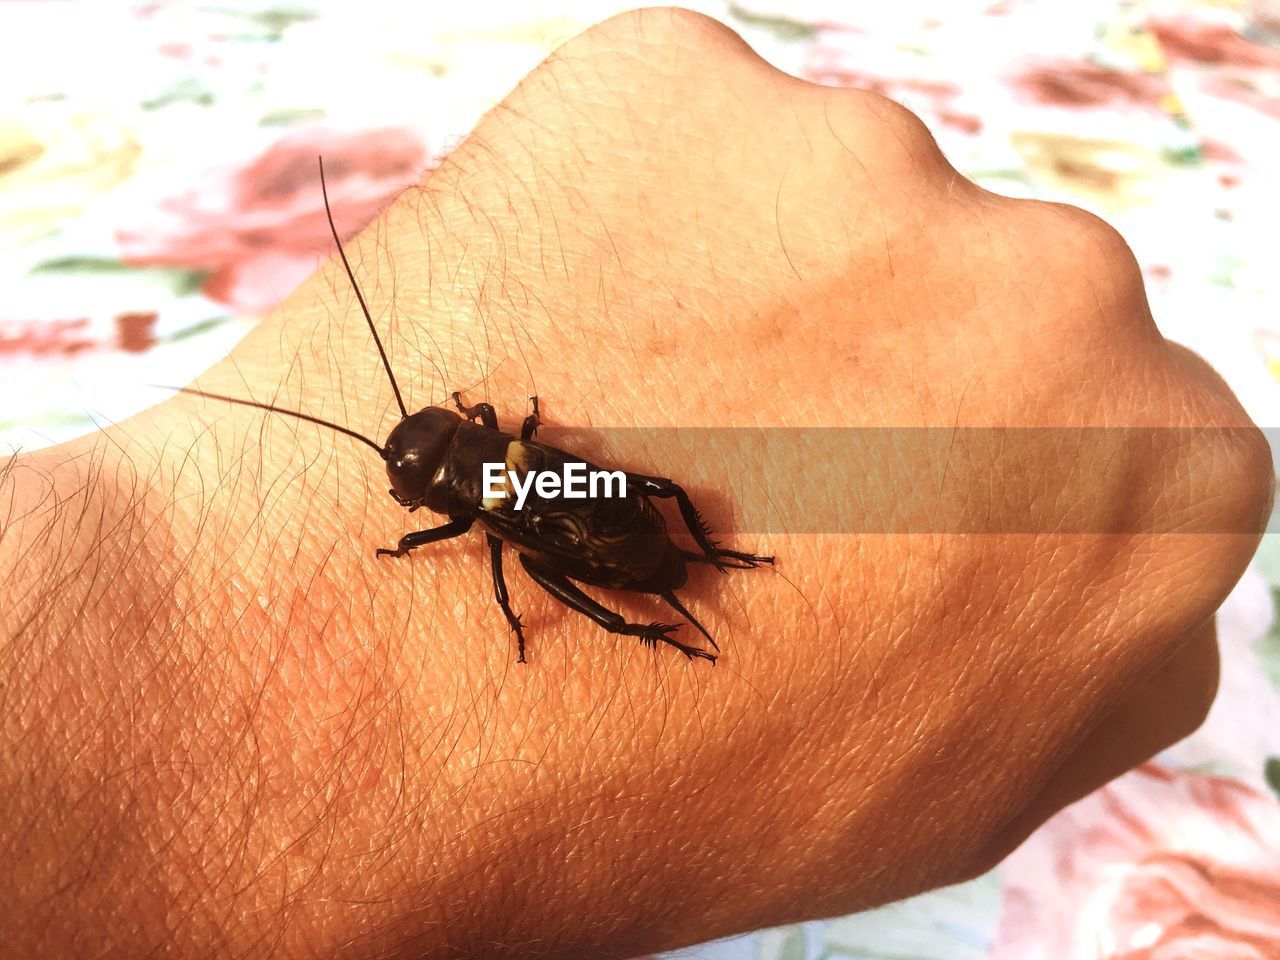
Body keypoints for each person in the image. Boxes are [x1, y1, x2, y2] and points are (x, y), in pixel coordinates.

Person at [1, 9, 1270, 958]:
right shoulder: (498, 464)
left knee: (594, 567)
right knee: (624, 537)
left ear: (448, 469)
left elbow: (498, 564)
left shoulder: (481, 504)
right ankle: (697, 590)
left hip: (577, 527)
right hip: (582, 511)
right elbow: (529, 495)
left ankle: (694, 597)